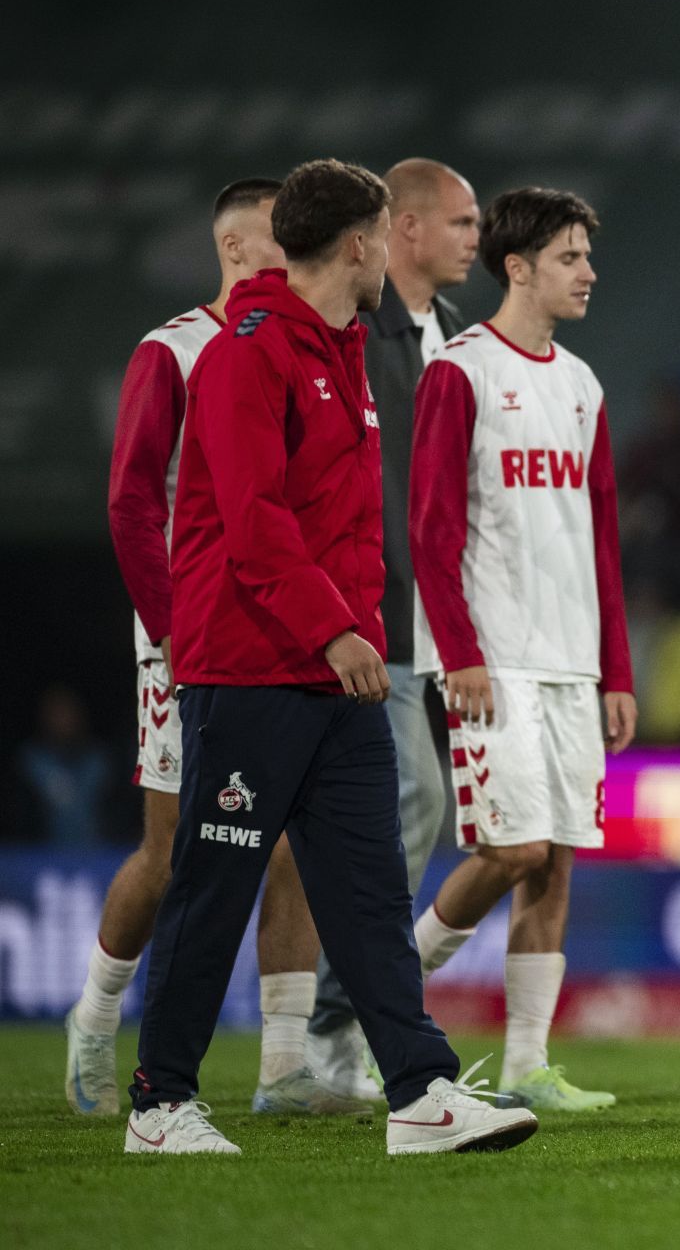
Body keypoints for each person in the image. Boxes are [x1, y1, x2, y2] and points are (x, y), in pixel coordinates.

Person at [126, 158, 535, 1156]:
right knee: (212, 885)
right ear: (358, 245)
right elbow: (255, 523)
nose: (387, 250)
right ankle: (159, 1102)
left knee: (366, 895)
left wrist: (357, 633)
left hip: (332, 672)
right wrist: (338, 627)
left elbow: (336, 521)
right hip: (253, 669)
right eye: (383, 233)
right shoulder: (246, 355)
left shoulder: (338, 350)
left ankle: (422, 1089)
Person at [85, 177, 360, 1120]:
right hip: (189, 630)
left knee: (291, 847)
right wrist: (168, 628)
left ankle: (282, 1066)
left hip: (288, 624)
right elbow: (131, 502)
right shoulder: (175, 350)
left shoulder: (311, 341)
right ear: (241, 249)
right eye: (283, 238)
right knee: (174, 854)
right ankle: (94, 1024)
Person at [407, 187, 636, 1112]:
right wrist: (457, 650)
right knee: (512, 850)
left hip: (572, 662)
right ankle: (375, 995)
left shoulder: (582, 386)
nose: (588, 272)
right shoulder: (460, 372)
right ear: (519, 267)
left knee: (558, 859)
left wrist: (616, 668)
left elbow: (603, 538)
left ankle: (528, 1066)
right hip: (491, 657)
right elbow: (430, 527)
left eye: (587, 255)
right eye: (572, 256)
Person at [306, 157, 478, 1100]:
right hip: (362, 618)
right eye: (459, 223)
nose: (474, 241)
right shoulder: (353, 333)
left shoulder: (451, 337)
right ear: (402, 231)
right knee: (412, 805)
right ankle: (334, 1025)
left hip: (435, 617)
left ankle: (331, 1030)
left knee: (426, 811)